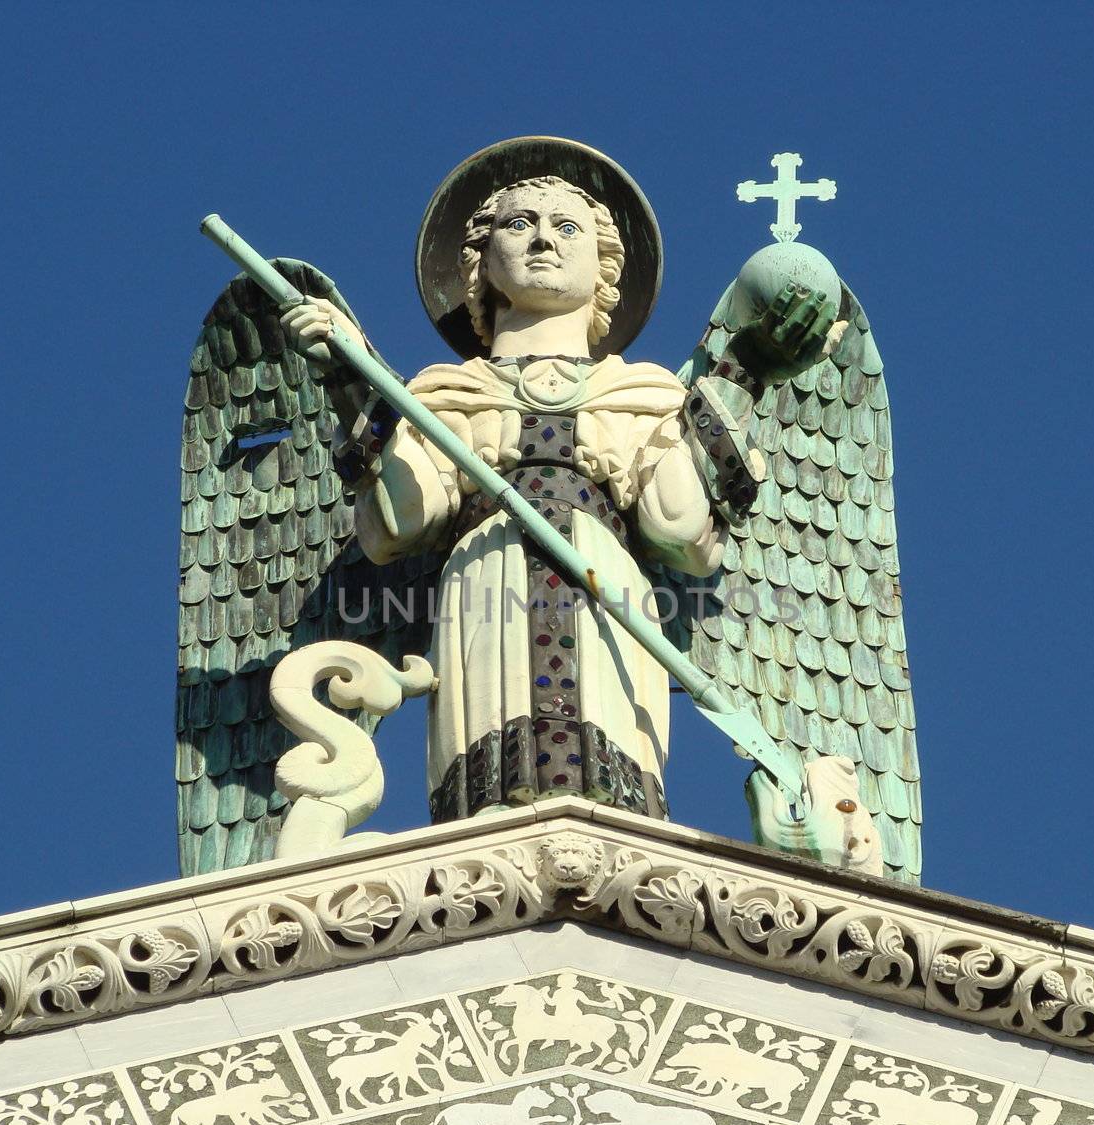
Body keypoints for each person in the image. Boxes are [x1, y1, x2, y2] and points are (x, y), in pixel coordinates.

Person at [286, 149, 834, 824]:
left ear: (605, 265)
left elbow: (681, 533)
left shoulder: (648, 394)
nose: (543, 237)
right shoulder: (440, 394)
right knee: (491, 785)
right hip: (485, 580)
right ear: (481, 261)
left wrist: (743, 373)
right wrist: (350, 380)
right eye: (518, 224)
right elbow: (399, 525)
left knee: (611, 791)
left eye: (567, 227)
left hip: (609, 585)